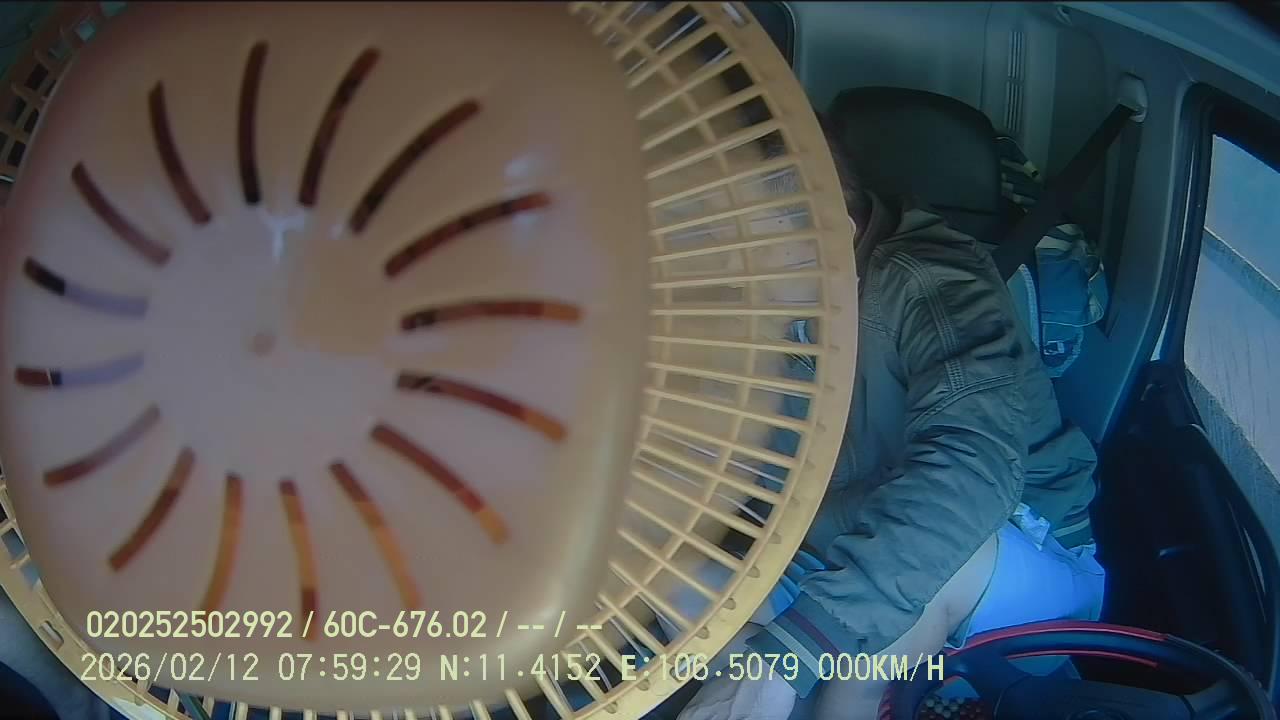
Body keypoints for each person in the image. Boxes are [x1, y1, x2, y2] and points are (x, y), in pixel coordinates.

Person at [674, 119, 1106, 720]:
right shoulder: (753, 305)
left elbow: (969, 475)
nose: (726, 273)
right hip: (836, 546)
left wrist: (791, 653)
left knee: (922, 574)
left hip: (1015, 551)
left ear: (832, 232)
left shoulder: (931, 283)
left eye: (744, 251)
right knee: (679, 578)